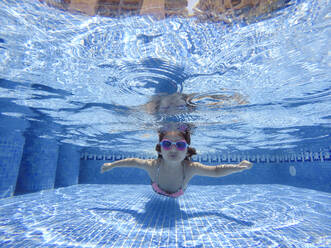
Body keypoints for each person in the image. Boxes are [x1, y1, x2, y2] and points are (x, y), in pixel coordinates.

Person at [101, 123, 252, 198]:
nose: (173, 150)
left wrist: (237, 167)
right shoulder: (153, 166)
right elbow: (132, 161)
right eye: (167, 144)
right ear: (160, 148)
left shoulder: (191, 167)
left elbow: (216, 171)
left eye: (180, 145)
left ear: (187, 150)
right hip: (156, 190)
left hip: (179, 192)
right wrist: (111, 165)